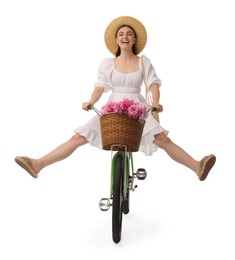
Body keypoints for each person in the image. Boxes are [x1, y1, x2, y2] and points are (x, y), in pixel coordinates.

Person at [15, 16, 216, 180]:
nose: (125, 37)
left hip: (137, 107)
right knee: (78, 137)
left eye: (129, 34)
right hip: (113, 107)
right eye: (121, 34)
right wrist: (91, 102)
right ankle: (38, 164)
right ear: (116, 40)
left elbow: (153, 84)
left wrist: (155, 103)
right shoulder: (107, 63)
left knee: (162, 139)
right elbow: (100, 86)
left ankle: (197, 167)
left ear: (135, 40)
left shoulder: (143, 61)